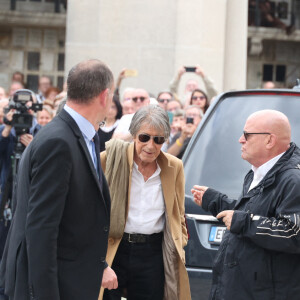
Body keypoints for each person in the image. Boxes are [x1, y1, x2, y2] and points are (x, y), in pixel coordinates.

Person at [0, 59, 116, 300]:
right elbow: (41, 230)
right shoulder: (57, 142)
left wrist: (99, 264)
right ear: (105, 96)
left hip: (75, 280)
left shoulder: (86, 136)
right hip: (55, 288)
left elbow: (74, 217)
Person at [192, 109, 300, 300]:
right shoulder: (258, 171)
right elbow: (253, 211)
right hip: (241, 287)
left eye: (247, 135)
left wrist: (245, 222)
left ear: (269, 140)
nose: (240, 139)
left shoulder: (293, 179)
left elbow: (293, 232)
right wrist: (217, 202)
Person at [99, 105, 191, 300]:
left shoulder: (174, 167)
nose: (150, 146)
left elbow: (179, 214)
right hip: (115, 248)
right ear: (134, 135)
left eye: (158, 140)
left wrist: (179, 242)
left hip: (152, 254)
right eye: (144, 137)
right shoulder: (109, 160)